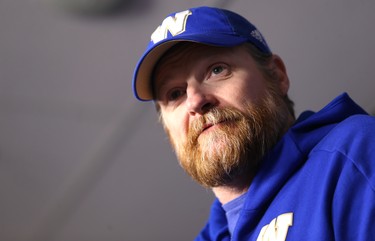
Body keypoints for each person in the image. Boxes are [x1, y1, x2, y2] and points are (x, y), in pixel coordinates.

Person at [132, 6, 375, 241]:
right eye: (175, 94)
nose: (195, 101)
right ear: (168, 131)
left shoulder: (352, 154)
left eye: (217, 70)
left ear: (278, 76)